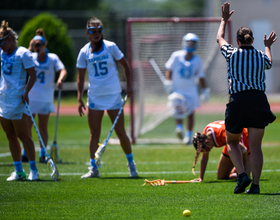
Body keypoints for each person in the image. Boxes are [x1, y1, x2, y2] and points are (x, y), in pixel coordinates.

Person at [216, 2, 277, 194]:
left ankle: (242, 175)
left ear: (237, 40)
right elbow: (269, 62)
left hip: (238, 100)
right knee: (255, 147)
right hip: (258, 100)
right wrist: (268, 46)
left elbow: (219, 38)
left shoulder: (232, 53)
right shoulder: (260, 56)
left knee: (232, 141)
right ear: (253, 40)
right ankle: (256, 186)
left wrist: (224, 20)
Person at [76, 16, 138, 178]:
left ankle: (131, 164)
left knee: (120, 132)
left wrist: (129, 85)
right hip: (95, 97)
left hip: (113, 96)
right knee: (94, 134)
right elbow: (81, 77)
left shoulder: (111, 47)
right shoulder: (84, 52)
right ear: (88, 33)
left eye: (99, 30)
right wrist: (79, 98)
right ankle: (93, 167)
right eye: (92, 31)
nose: (96, 34)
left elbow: (125, 64)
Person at [21, 28, 67, 163]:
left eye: (39, 44)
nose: (37, 47)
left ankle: (42, 153)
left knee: (43, 127)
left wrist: (60, 79)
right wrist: (29, 47)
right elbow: (21, 61)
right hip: (31, 96)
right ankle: (26, 152)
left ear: (45, 45)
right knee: (27, 126)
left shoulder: (52, 58)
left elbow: (62, 70)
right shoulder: (31, 56)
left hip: (45, 97)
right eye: (35, 45)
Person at [0, 20, 39, 181]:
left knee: (24, 136)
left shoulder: (23, 53)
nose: (0, 45)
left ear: (10, 39)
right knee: (10, 135)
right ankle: (18, 171)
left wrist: (26, 91)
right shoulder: (1, 53)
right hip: (3, 100)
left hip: (17, 100)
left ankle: (34, 170)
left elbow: (33, 76)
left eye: (1, 42)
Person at [165, 33, 209, 144]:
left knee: (190, 113)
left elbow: (201, 76)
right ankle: (179, 128)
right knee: (177, 109)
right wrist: (168, 82)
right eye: (188, 42)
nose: (190, 45)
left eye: (192, 43)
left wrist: (204, 90)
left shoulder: (198, 60)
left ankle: (188, 136)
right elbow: (169, 70)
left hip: (191, 90)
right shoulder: (176, 56)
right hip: (178, 89)